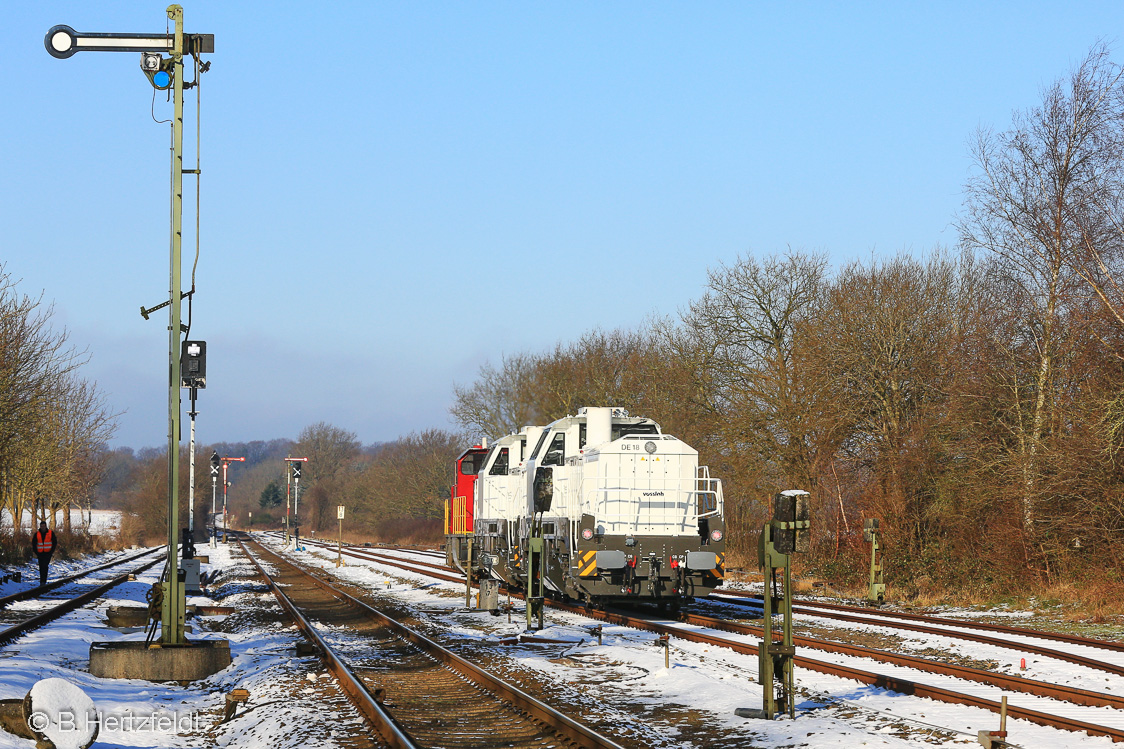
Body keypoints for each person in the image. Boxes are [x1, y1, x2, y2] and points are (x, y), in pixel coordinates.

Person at [31, 521, 57, 586]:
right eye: (41, 526)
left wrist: (51, 551)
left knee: (45, 566)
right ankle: (42, 581)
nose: (43, 527)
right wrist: (36, 552)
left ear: (46, 526)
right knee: (41, 566)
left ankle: (43, 580)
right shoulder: (37, 534)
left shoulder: (51, 533)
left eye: (44, 526)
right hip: (40, 553)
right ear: (40, 526)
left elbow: (54, 542)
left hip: (48, 553)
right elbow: (34, 544)